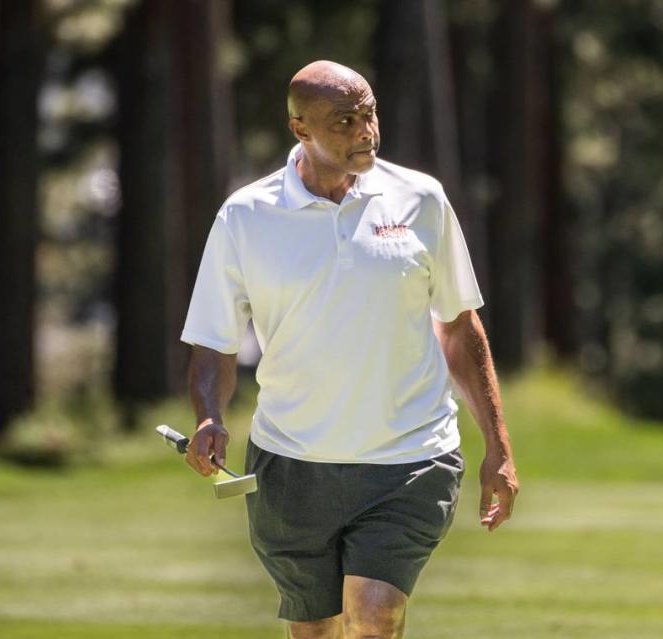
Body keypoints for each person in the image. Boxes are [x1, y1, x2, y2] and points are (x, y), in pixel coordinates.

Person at [181, 60, 518, 639]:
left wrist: (499, 447)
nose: (365, 131)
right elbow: (214, 345)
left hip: (409, 460)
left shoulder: (422, 200)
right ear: (300, 129)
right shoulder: (244, 216)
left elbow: (460, 329)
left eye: (369, 114)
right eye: (344, 120)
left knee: (375, 613)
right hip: (290, 465)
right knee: (315, 630)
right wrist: (210, 415)